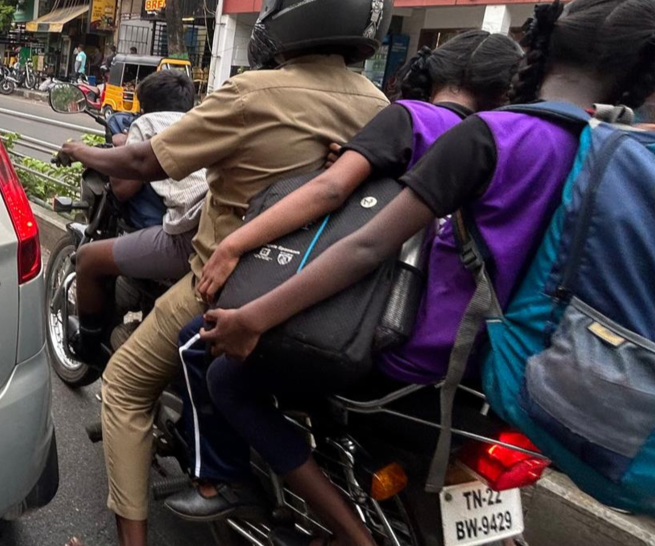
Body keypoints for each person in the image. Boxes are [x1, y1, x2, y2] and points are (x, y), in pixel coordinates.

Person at [200, 0, 655, 546]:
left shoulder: (495, 137)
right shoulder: (633, 156)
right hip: (530, 371)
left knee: (228, 378)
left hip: (424, 361)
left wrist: (253, 318)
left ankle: (351, 535)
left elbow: (367, 248)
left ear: (543, 45)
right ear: (647, 74)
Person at [54, 0, 394, 545]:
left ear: (288, 15)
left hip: (229, 276)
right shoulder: (381, 102)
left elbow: (142, 165)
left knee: (126, 390)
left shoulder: (252, 92)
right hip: (336, 287)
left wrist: (77, 146)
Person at [166, 29, 524, 544]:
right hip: (473, 350)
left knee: (211, 358)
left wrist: (233, 244)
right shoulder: (512, 140)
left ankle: (276, 503)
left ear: (445, 73)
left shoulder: (413, 119)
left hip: (387, 332)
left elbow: (331, 193)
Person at [71, 70, 207, 369]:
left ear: (144, 105)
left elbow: (123, 187)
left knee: (87, 258)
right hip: (218, 229)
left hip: (189, 236)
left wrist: (89, 150)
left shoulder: (146, 124)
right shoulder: (202, 125)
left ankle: (89, 347)